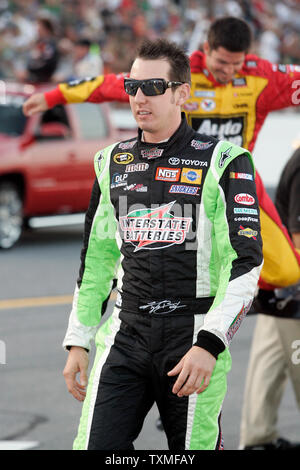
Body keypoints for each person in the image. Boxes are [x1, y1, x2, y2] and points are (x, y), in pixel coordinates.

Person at [62, 38, 263, 450]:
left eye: (153, 87)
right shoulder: (110, 161)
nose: (140, 97)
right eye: (131, 86)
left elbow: (245, 263)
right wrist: (78, 339)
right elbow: (96, 259)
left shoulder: (225, 160)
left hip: (192, 335)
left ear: (182, 93)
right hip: (126, 333)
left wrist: (211, 343)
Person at [22, 16, 300, 292]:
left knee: (287, 272)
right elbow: (108, 86)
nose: (228, 71)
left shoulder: (262, 77)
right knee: (176, 271)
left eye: (235, 64)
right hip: (185, 185)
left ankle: (238, 287)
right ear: (207, 49)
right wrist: (52, 97)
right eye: (222, 63)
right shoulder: (177, 74)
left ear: (246, 58)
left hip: (239, 182)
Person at [239, 146, 300, 450]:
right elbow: (298, 235)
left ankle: (257, 438)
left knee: (268, 362)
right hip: (292, 288)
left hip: (279, 292)